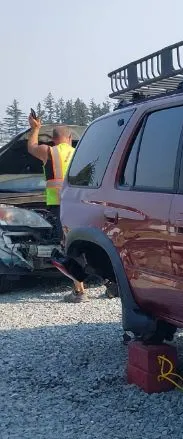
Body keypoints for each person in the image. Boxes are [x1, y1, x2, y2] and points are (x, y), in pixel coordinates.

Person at [27, 113, 86, 302]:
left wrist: (35, 128)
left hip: (60, 205)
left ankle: (79, 291)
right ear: (70, 138)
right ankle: (112, 287)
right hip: (83, 204)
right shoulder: (82, 151)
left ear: (53, 140)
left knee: (69, 244)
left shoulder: (49, 152)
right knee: (91, 243)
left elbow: (31, 147)